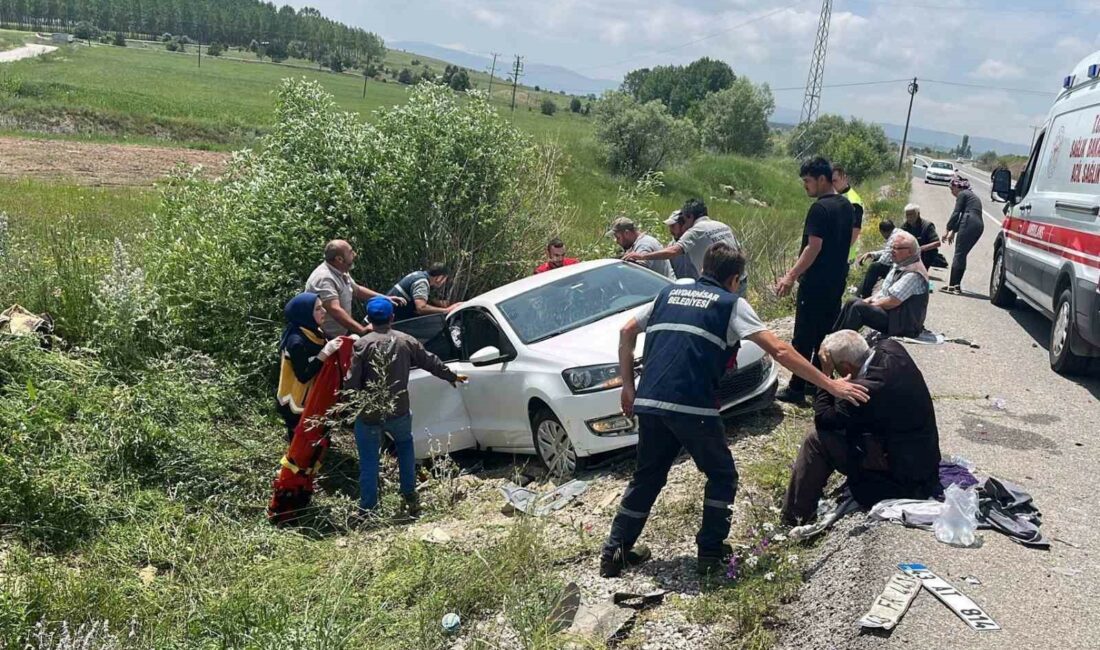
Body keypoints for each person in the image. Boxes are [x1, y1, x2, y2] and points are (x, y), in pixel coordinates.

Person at [601, 242, 869, 578]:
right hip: (691, 403)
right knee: (722, 474)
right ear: (734, 280)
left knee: (648, 475)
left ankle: (615, 552)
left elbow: (626, 330)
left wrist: (628, 386)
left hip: (651, 401)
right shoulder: (731, 304)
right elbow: (781, 351)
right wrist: (831, 386)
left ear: (702, 270)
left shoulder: (667, 295)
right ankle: (711, 555)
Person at [781, 330, 941, 526]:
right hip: (923, 460)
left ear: (846, 367)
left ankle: (794, 518)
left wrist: (826, 376)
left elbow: (824, 419)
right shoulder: (892, 349)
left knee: (816, 441)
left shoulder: (865, 390)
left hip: (903, 481)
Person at [345, 297, 468, 517]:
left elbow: (351, 382)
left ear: (369, 320)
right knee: (405, 449)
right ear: (392, 318)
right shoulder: (405, 340)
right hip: (399, 409)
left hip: (370, 413)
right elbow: (429, 361)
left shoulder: (361, 345)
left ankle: (368, 509)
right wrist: (451, 376)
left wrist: (348, 405)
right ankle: (410, 495)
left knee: (369, 459)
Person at [775, 157, 854, 405]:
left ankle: (797, 388)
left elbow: (813, 247)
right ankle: (817, 384)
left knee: (802, 338)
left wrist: (791, 276)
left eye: (807, 181)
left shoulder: (820, 209)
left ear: (822, 179)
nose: (805, 186)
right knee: (824, 335)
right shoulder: (846, 205)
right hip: (835, 281)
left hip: (815, 284)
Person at [274, 292, 345, 442]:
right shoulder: (296, 342)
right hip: (295, 401)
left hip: (313, 394)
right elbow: (303, 375)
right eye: (318, 309)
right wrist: (324, 354)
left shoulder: (314, 329)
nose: (324, 311)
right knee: (300, 440)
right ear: (306, 314)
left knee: (317, 434)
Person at [622, 199, 740, 288]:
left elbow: (674, 251)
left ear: (689, 217)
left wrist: (642, 256)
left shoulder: (695, 231)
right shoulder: (722, 226)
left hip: (720, 283)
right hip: (737, 278)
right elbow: (738, 250)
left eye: (681, 222)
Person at [833, 231, 930, 338]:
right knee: (852, 301)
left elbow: (893, 301)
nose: (892, 251)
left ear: (910, 251)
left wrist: (868, 305)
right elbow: (884, 292)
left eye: (897, 248)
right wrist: (867, 300)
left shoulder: (913, 273)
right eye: (892, 247)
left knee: (859, 308)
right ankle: (833, 337)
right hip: (894, 316)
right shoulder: (901, 264)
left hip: (904, 324)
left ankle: (843, 344)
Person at [305, 240, 404, 338]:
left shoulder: (341, 270)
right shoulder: (324, 278)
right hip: (325, 337)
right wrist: (362, 330)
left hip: (341, 333)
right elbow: (335, 309)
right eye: (350, 252)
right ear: (339, 259)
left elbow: (357, 290)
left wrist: (385, 298)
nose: (355, 254)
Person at [942, 177, 985, 295]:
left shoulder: (963, 194)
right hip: (977, 225)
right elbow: (963, 215)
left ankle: (952, 286)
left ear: (958, 187)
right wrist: (954, 232)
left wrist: (947, 229)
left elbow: (957, 213)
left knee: (959, 254)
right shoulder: (970, 195)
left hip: (969, 222)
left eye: (952, 189)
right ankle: (956, 286)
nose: (952, 192)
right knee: (962, 254)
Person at [388, 264, 454, 321]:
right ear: (439, 278)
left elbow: (421, 298)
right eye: (445, 279)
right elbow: (421, 308)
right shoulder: (422, 282)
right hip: (393, 319)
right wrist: (446, 310)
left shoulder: (419, 274)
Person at [855, 220, 898, 299]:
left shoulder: (893, 238)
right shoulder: (897, 232)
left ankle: (863, 295)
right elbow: (887, 252)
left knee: (874, 267)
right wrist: (872, 254)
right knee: (875, 262)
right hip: (905, 263)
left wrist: (874, 262)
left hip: (900, 267)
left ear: (883, 232)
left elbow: (884, 261)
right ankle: (862, 291)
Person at [899, 203, 946, 271]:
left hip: (925, 254)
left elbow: (937, 243)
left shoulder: (927, 226)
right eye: (907, 215)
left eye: (911, 214)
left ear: (918, 214)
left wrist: (920, 249)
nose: (909, 217)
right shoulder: (905, 226)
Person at [833, 164, 864, 263]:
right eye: (831, 181)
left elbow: (856, 229)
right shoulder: (837, 196)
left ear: (845, 178)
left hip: (844, 255)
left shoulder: (853, 200)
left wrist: (842, 250)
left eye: (835, 180)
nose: (833, 184)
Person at [664, 210, 699, 280]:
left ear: (683, 224)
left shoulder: (697, 243)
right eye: (669, 227)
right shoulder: (671, 246)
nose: (671, 230)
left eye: (673, 226)